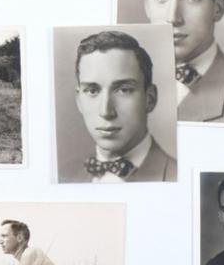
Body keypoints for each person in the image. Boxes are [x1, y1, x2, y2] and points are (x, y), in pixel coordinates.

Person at [68, 30, 177, 183]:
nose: (106, 111)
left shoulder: (175, 176)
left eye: (123, 90)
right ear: (79, 101)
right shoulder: (67, 175)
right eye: (92, 91)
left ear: (150, 99)